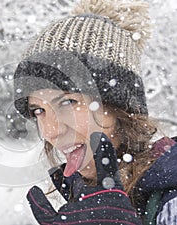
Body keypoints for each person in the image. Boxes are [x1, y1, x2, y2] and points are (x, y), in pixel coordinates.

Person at [13, 0, 177, 224]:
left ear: (119, 109)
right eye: (39, 110)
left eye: (67, 102)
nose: (51, 130)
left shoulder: (170, 199)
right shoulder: (81, 200)